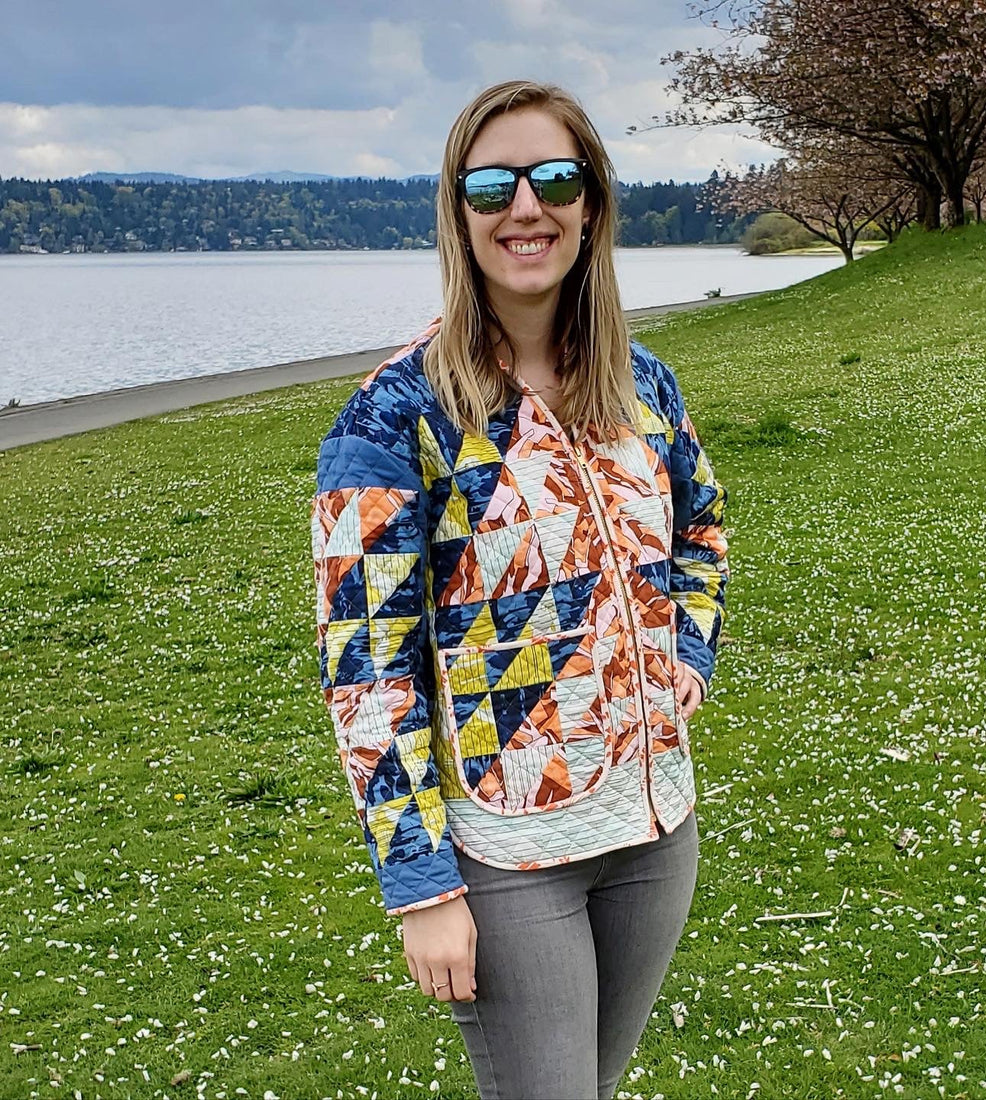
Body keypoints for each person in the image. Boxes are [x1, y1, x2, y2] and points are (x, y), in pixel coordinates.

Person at [311, 79, 729, 1100]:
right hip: (508, 860)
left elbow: (702, 530)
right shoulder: (394, 415)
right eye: (491, 184)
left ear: (591, 202)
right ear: (458, 213)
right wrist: (417, 881)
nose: (524, 207)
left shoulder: (643, 384)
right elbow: (368, 670)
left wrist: (688, 651)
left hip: (653, 833)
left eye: (553, 177)